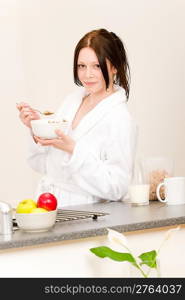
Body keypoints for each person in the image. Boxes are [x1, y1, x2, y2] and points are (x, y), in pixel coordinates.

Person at [17, 28, 138, 207]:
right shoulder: (72, 102)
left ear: (114, 67)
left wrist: (74, 150)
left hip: (86, 213)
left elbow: (118, 187)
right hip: (48, 204)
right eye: (82, 66)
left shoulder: (119, 119)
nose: (87, 74)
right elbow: (44, 166)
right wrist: (36, 127)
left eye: (96, 66)